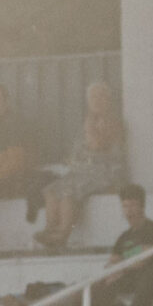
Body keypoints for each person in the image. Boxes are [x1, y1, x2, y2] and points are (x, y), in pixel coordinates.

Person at [37, 81, 127, 249]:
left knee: (68, 193)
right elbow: (77, 150)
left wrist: (90, 128)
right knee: (51, 190)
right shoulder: (90, 121)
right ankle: (50, 230)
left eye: (100, 96)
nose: (96, 101)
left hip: (105, 172)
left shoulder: (112, 121)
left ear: (108, 100)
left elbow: (97, 145)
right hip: (83, 171)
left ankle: (63, 234)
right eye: (93, 97)